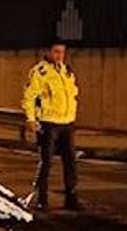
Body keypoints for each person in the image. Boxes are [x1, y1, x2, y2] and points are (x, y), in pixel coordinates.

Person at [22, 41, 82, 211]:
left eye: (62, 52)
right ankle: (42, 199)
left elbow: (72, 95)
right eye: (56, 52)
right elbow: (29, 96)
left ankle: (71, 197)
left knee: (70, 160)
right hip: (48, 123)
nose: (59, 55)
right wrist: (31, 119)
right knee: (46, 161)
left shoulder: (67, 71)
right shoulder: (40, 72)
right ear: (48, 52)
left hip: (67, 122)